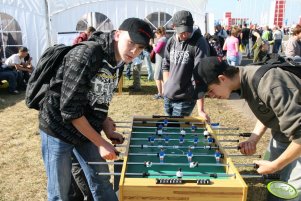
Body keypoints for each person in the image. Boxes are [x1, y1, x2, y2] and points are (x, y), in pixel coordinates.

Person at [38, 18, 153, 201]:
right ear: (117, 35)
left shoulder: (121, 60)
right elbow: (70, 110)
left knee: (101, 181)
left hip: (85, 128)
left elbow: (100, 97)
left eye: (140, 48)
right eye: (131, 43)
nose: (134, 51)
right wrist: (100, 142)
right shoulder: (86, 54)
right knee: (60, 192)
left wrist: (105, 123)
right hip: (57, 128)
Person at [195, 56, 301, 201]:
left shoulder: (269, 83)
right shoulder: (245, 80)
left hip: (298, 138)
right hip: (284, 133)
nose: (211, 96)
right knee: (275, 183)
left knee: (294, 192)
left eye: (210, 91)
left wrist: (275, 165)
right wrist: (253, 138)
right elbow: (270, 108)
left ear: (222, 78)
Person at [162, 10, 210, 119]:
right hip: (168, 96)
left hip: (185, 98)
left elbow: (200, 75)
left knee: (174, 131)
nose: (185, 34)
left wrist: (201, 110)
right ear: (174, 26)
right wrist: (166, 86)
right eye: (182, 31)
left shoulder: (199, 42)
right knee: (168, 129)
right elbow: (166, 65)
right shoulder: (171, 41)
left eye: (188, 30)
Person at [152, 26, 167, 99]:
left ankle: (160, 94)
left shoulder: (162, 40)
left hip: (160, 61)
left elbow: (157, 50)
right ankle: (163, 94)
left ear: (160, 33)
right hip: (162, 60)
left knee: (157, 77)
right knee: (162, 78)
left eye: (156, 34)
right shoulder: (165, 39)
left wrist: (153, 46)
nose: (156, 35)